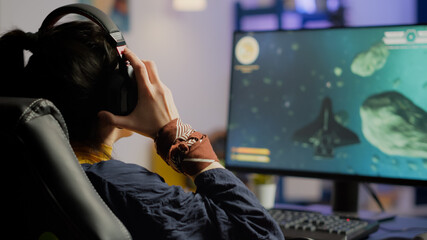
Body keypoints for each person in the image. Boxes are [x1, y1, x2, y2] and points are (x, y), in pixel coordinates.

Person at [0, 21, 284, 239]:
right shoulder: (120, 188)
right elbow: (262, 232)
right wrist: (176, 133)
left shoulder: (22, 170)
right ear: (118, 98)